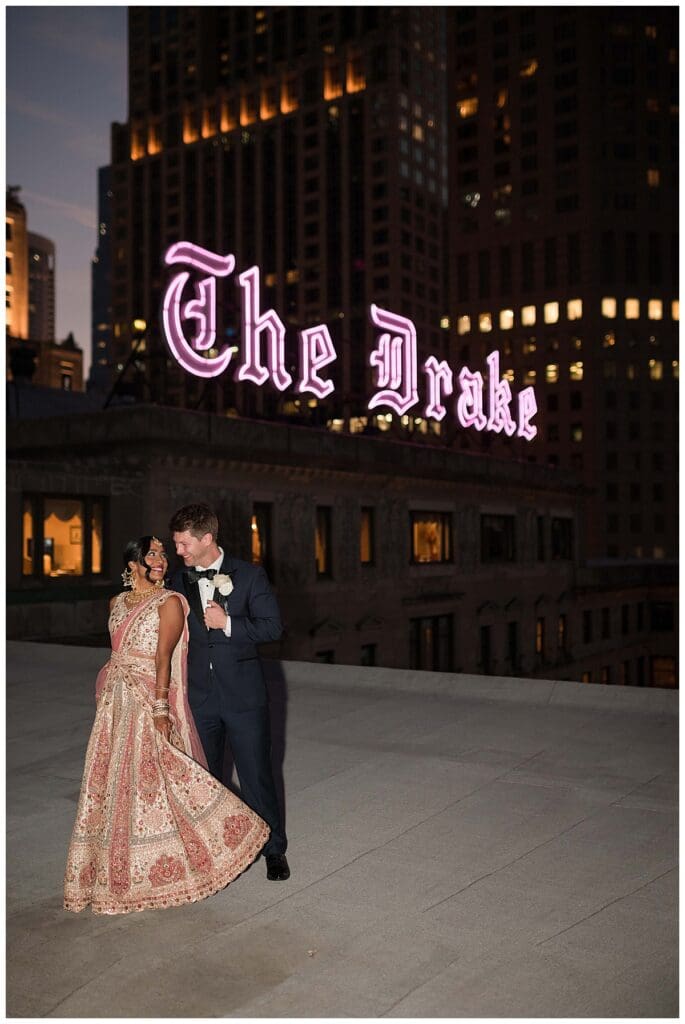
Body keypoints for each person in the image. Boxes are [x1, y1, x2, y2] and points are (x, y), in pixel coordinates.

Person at [64, 536, 269, 915]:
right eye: (152, 554)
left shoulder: (170, 602)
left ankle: (216, 846)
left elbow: (163, 658)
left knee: (160, 782)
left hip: (147, 701)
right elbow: (116, 652)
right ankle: (113, 871)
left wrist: (161, 709)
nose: (160, 560)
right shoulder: (115, 602)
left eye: (162, 554)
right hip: (116, 702)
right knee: (112, 783)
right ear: (132, 563)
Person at [168, 503, 290, 881]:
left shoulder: (251, 576)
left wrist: (229, 624)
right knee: (205, 780)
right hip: (198, 697)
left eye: (185, 544)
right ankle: (216, 852)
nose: (180, 552)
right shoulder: (177, 580)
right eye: (176, 545)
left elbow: (273, 628)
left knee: (256, 776)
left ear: (207, 539)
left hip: (244, 699)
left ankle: (274, 850)